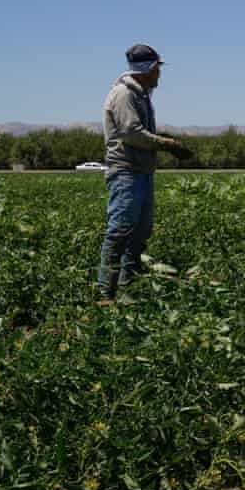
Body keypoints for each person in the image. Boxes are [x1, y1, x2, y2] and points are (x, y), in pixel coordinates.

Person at [96, 44, 193, 303]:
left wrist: (162, 141)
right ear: (148, 69)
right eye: (157, 69)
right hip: (126, 171)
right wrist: (165, 144)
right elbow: (131, 133)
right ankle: (106, 292)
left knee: (139, 234)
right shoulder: (124, 94)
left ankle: (129, 288)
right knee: (120, 230)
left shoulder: (140, 94)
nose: (159, 75)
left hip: (141, 171)